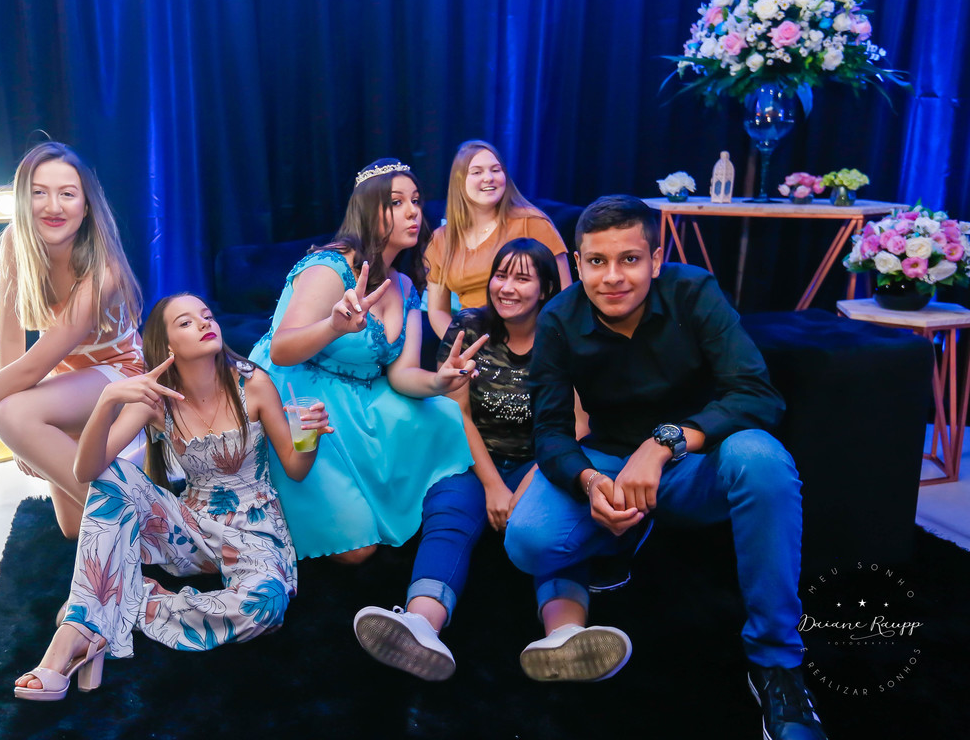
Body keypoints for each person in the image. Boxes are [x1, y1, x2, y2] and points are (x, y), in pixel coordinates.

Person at [504, 196, 826, 740]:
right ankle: (622, 536)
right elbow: (551, 431)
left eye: (629, 259)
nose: (612, 277)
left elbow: (757, 394)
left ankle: (776, 662)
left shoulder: (694, 291)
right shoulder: (558, 317)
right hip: (609, 460)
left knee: (762, 459)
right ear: (578, 264)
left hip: (697, 459)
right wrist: (590, 482)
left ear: (656, 258)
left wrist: (663, 443)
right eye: (597, 261)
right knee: (528, 542)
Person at [14, 293, 330, 700]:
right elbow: (87, 471)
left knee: (265, 607)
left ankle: (122, 604)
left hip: (255, 530)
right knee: (114, 476)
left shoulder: (253, 383)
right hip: (190, 527)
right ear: (166, 347)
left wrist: (310, 437)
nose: (204, 323)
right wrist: (108, 399)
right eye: (186, 322)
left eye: (207, 315)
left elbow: (295, 467)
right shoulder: (156, 399)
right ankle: (77, 631)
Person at [248, 159, 485, 563]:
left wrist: (440, 380)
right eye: (396, 202)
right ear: (368, 209)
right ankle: (260, 507)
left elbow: (402, 374)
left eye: (416, 201)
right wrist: (333, 327)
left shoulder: (406, 286)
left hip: (357, 403)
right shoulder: (330, 266)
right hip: (297, 400)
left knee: (444, 415)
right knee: (359, 549)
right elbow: (281, 349)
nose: (413, 212)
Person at [353, 238, 562, 681]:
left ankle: (565, 635)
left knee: (555, 518)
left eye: (522, 278)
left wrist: (525, 487)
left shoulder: (564, 333)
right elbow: (458, 413)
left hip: (543, 459)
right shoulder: (469, 325)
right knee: (448, 513)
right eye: (500, 276)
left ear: (546, 289)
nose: (507, 287)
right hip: (470, 454)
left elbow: (574, 428)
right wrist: (494, 485)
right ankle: (419, 626)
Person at [0, 141, 144, 538]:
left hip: (119, 376)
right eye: (39, 192)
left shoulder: (103, 271)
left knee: (10, 415)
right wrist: (20, 441)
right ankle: (126, 503)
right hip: (65, 383)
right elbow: (10, 341)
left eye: (67, 194)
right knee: (73, 529)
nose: (52, 206)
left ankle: (137, 517)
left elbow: (32, 367)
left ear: (86, 206)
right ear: (23, 200)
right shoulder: (15, 243)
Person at [425, 139, 572, 339]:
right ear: (459, 181)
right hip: (469, 341)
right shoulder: (441, 239)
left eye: (496, 170)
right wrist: (460, 345)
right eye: (477, 172)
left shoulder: (532, 222)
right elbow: (437, 311)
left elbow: (565, 295)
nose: (489, 178)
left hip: (528, 340)